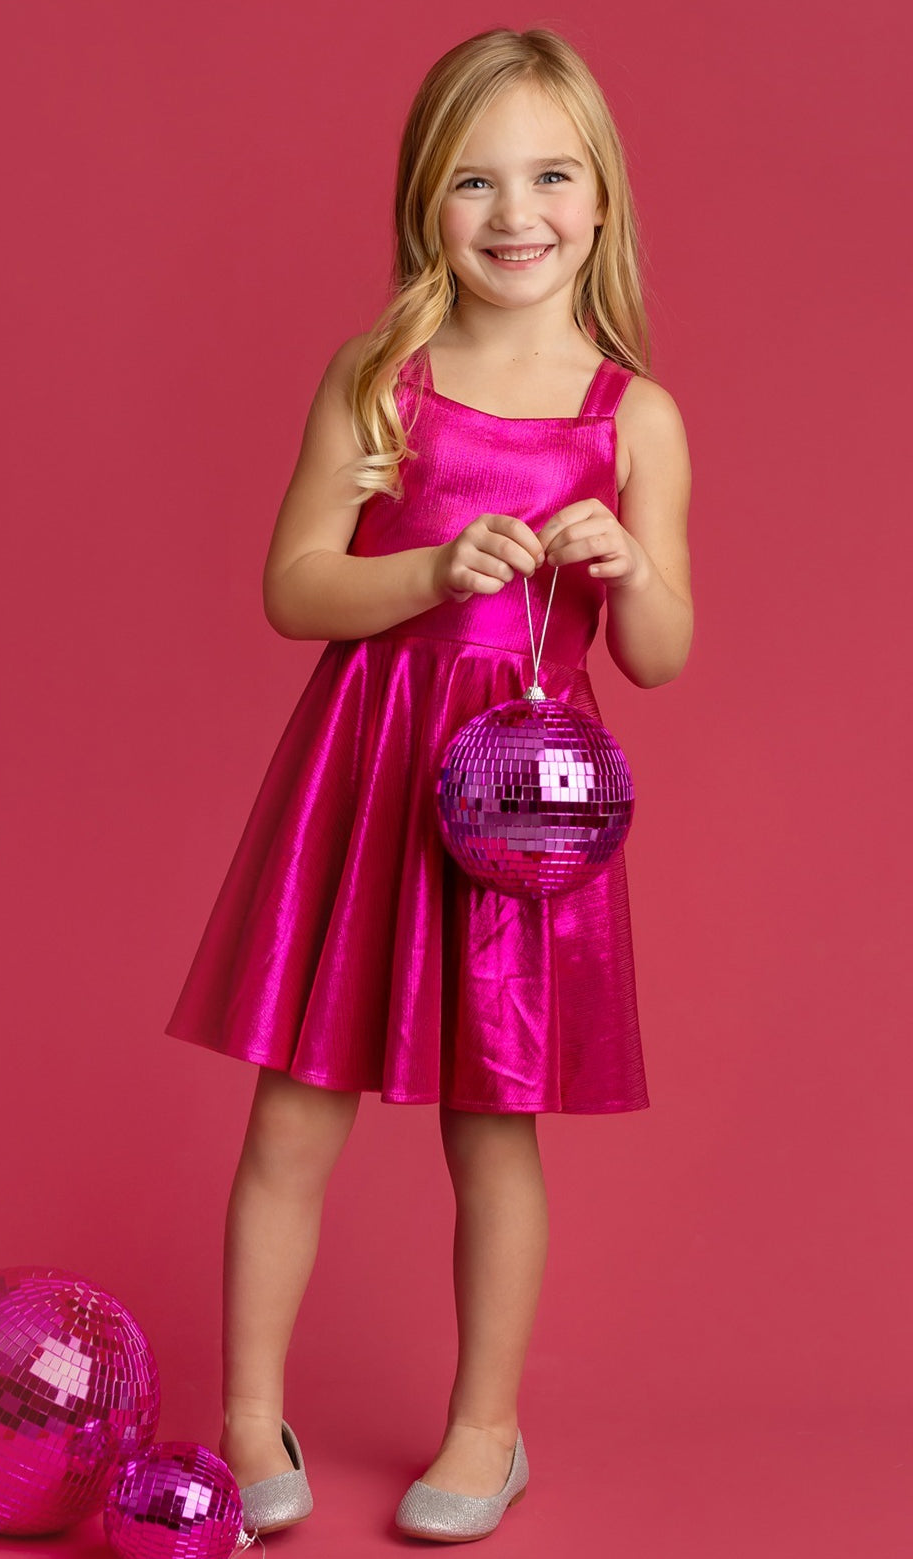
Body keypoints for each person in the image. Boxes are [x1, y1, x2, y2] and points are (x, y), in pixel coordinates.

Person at [164, 25, 692, 1544]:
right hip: (367, 777)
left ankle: (485, 1429)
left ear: (599, 202)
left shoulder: (631, 416)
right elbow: (292, 588)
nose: (513, 212)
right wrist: (423, 576)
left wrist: (632, 563)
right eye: (473, 180)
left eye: (546, 176)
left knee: (492, 1124)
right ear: (423, 205)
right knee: (292, 1112)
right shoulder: (380, 377)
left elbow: (660, 653)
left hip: (517, 809)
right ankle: (247, 1412)